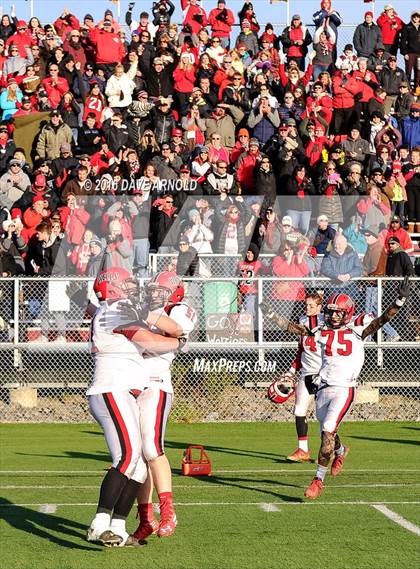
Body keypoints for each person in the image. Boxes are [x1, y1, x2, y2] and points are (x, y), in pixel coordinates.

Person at [260, 277, 411, 499]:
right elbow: (294, 329)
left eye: (338, 312)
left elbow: (381, 320)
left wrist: (399, 300)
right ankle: (341, 452)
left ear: (347, 313)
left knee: (328, 430)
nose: (333, 316)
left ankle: (318, 481)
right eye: (331, 312)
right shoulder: (321, 329)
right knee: (327, 433)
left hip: (344, 388)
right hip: (323, 387)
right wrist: (270, 314)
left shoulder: (358, 329)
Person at [84, 267, 185, 547]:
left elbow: (171, 327)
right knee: (128, 457)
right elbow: (153, 340)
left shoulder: (115, 309)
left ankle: (117, 526)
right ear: (113, 288)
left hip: (123, 391)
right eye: (126, 284)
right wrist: (177, 342)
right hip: (111, 389)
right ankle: (99, 522)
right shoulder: (117, 309)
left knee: (139, 466)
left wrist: (175, 334)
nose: (132, 288)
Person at [118, 272, 197, 541]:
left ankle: (168, 512)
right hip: (132, 384)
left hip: (156, 383)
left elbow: (174, 334)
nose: (154, 294)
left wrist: (143, 317)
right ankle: (145, 519)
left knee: (152, 448)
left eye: (161, 290)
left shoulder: (180, 310)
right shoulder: (145, 309)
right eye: (153, 289)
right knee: (137, 456)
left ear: (175, 292)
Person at [286, 292, 324, 462]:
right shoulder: (302, 321)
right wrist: (292, 371)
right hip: (307, 373)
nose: (307, 308)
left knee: (324, 417)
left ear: (319, 307)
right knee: (299, 410)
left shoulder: (326, 322)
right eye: (306, 305)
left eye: (311, 306)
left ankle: (334, 450)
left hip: (324, 374)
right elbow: (300, 350)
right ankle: (303, 450)